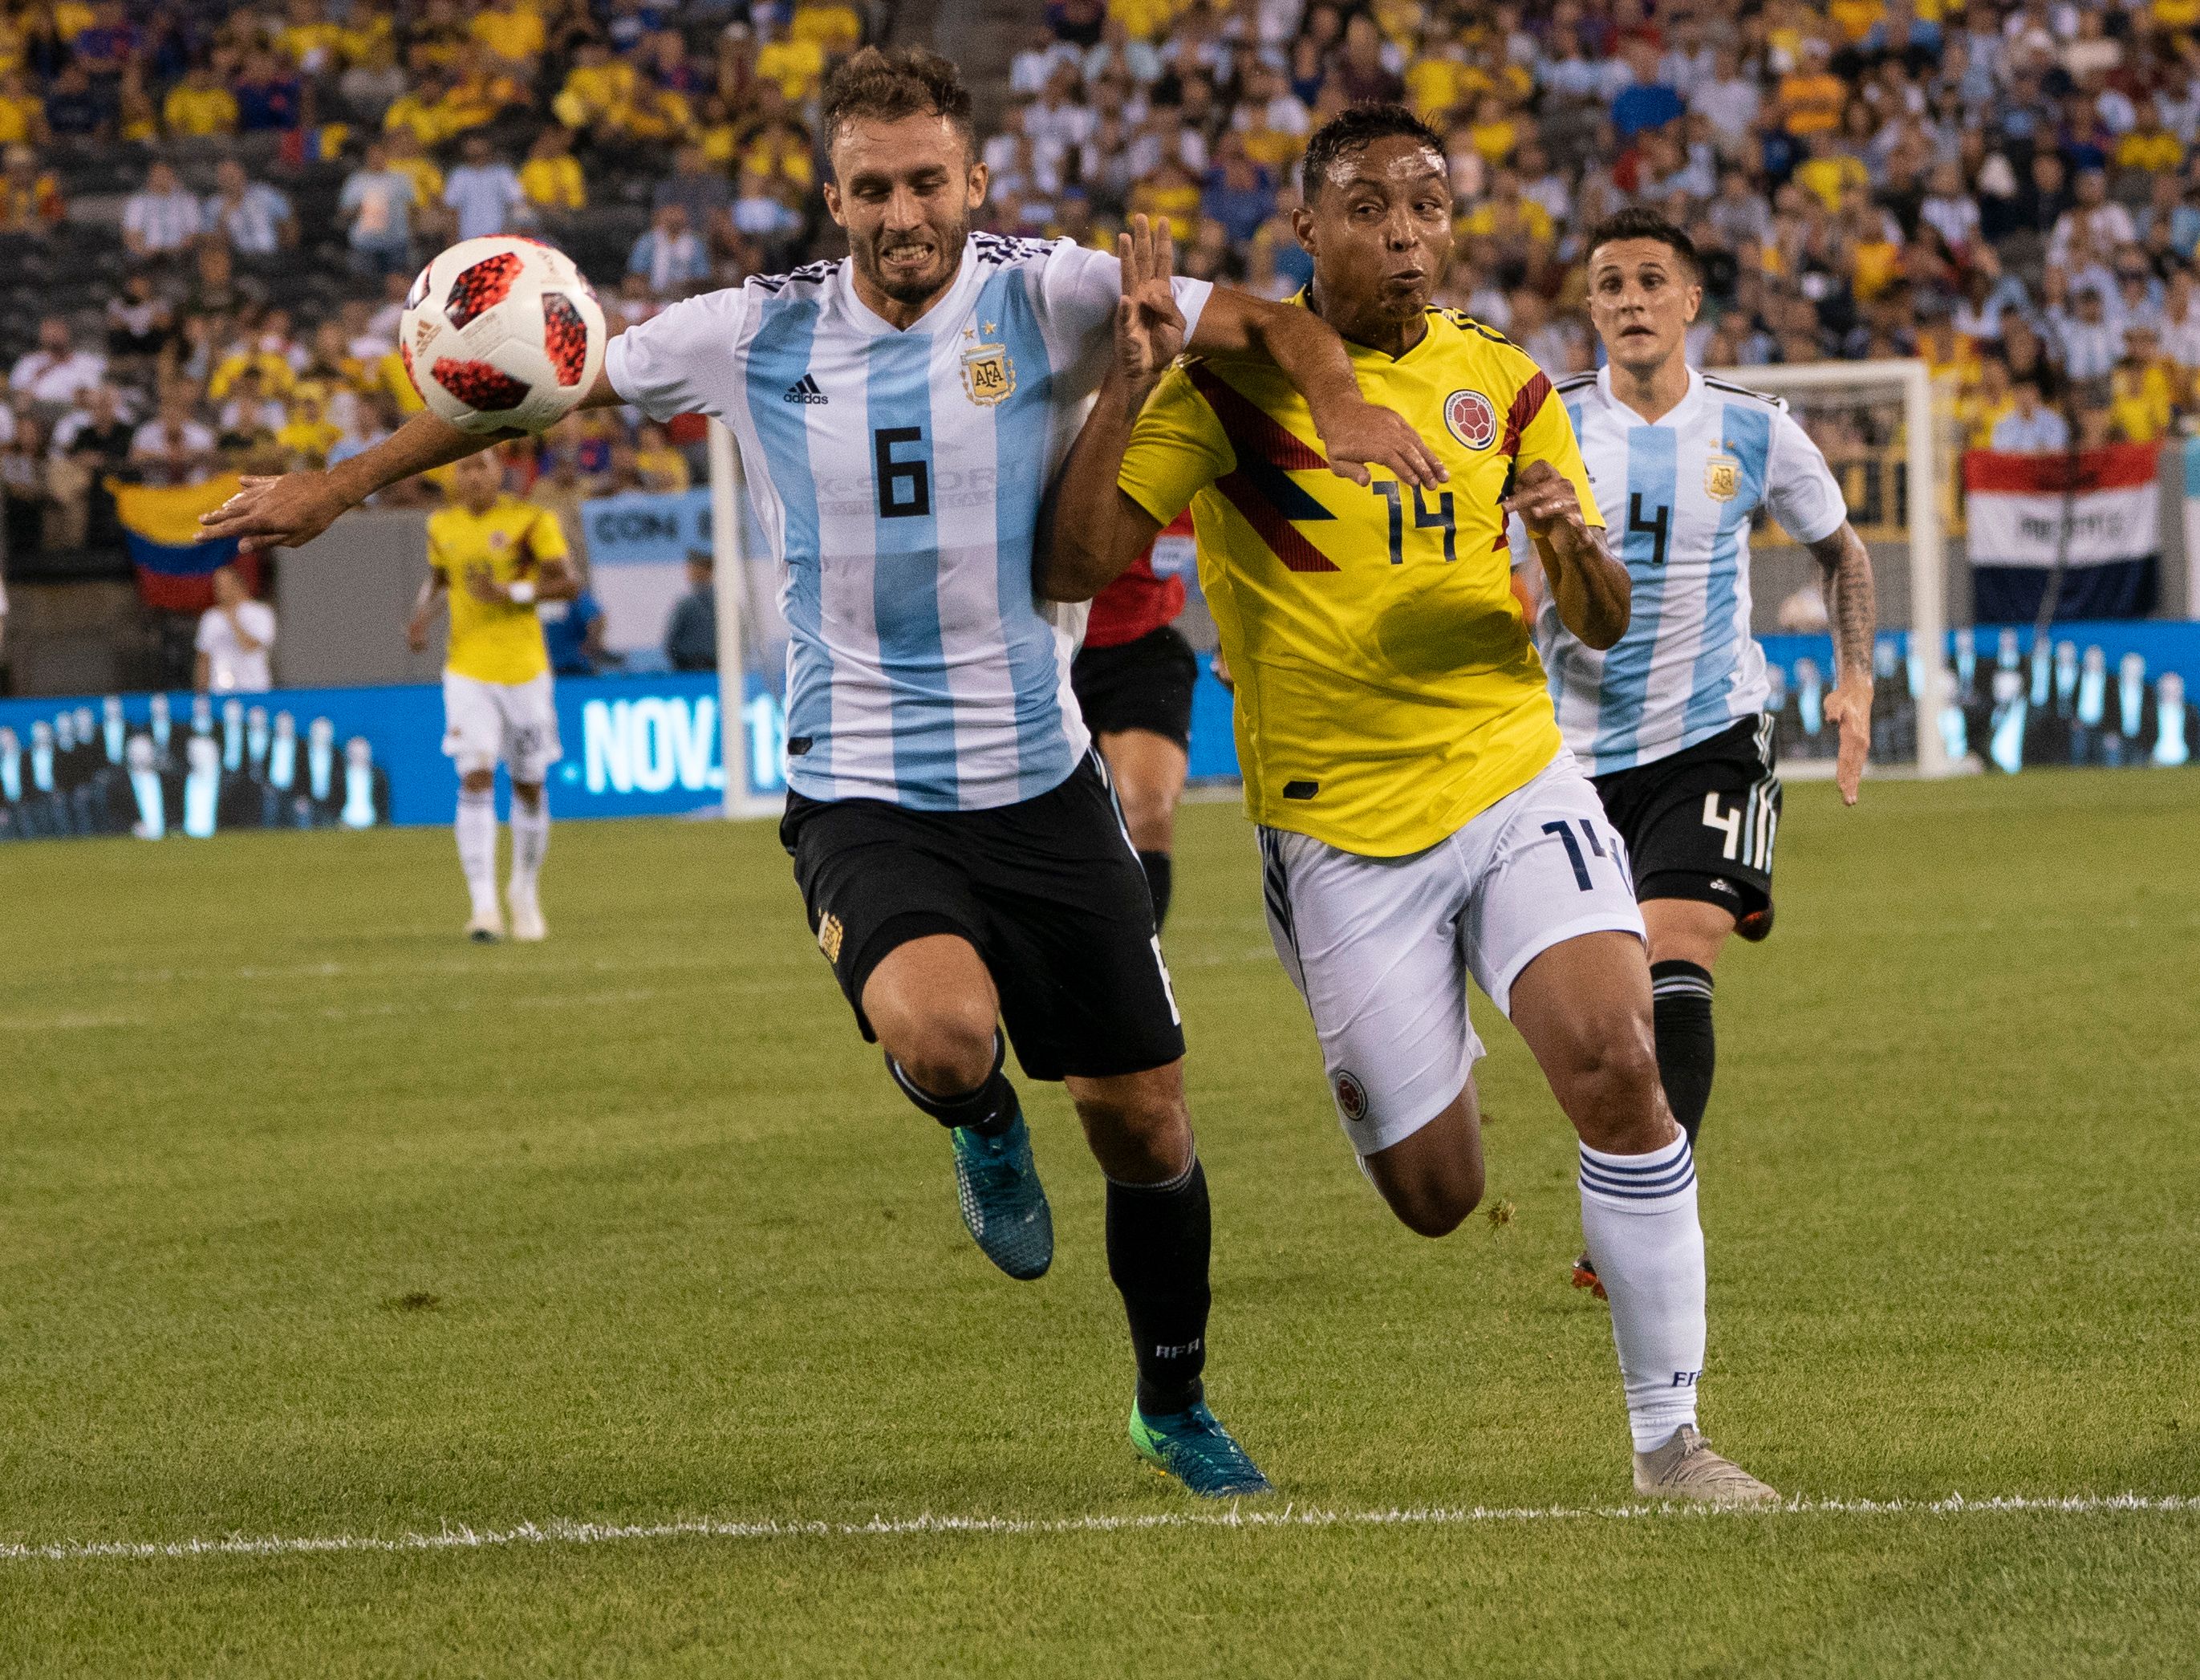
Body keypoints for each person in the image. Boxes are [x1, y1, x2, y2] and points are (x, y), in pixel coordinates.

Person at [201, 46, 1434, 1501]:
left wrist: (1343, 405)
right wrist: (334, 487)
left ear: (974, 184)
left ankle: (1173, 1400)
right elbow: (542, 391)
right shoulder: (749, 331)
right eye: (871, 187)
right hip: (858, 783)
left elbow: (1274, 332)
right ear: (831, 193)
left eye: (927, 182)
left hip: (1041, 779)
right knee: (944, 1029)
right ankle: (977, 1122)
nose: (901, 211)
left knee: (1146, 1122)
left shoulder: (1055, 292)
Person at [1041, 106, 1777, 1506]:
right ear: (1303, 231)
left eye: (1430, 206)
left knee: (1621, 1059)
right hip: (1337, 828)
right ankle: (1446, 1032)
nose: (1408, 234)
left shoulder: (1500, 381)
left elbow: (1601, 628)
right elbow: (1074, 560)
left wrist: (1570, 548)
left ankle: (1669, 1441)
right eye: (1372, 207)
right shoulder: (1222, 391)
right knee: (1435, 1195)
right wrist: (1129, 387)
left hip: (1508, 769)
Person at [1534, 208, 1876, 1299]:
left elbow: (1843, 556)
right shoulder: (1539, 429)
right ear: (1589, 309)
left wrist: (1855, 682)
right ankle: (1629, 1179)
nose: (1629, 299)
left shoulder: (1754, 430)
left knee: (1675, 964)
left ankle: (1634, 1228)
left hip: (1710, 738)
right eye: (1608, 284)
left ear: (1688, 303)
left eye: (1649, 281)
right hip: (1563, 755)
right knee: (1601, 1012)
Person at [406, 449, 577, 943]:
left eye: (481, 465)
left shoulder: (530, 521)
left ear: (499, 472)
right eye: (464, 468)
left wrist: (514, 593)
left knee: (528, 783)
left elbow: (568, 582)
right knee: (475, 774)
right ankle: (483, 906)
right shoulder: (441, 525)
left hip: (524, 672)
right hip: (466, 670)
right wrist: (422, 616)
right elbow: (440, 579)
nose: (473, 475)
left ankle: (523, 889)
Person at [1070, 513, 1197, 929]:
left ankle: (1142, 959)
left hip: (1142, 648)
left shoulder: (1179, 454)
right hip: (1040, 648)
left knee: (1147, 805)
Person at [194, 564, 276, 692]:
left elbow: (250, 647)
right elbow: (204, 658)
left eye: (224, 585)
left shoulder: (261, 613)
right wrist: (200, 693)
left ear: (237, 585)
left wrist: (233, 619)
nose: (219, 590)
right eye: (217, 585)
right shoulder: (211, 617)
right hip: (220, 692)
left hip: (254, 689)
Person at [664, 550, 716, 671]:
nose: (690, 572)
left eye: (695, 568)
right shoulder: (685, 604)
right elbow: (671, 642)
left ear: (707, 570)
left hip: (715, 668)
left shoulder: (687, 604)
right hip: (688, 668)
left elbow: (671, 641)